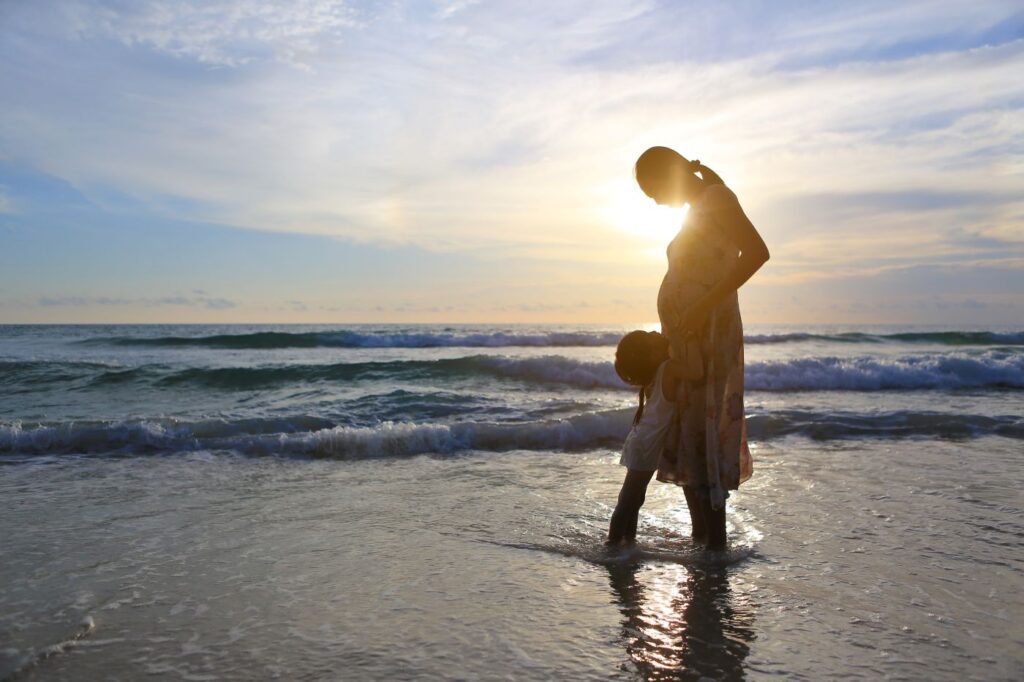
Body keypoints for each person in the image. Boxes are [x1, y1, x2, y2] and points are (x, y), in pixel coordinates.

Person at [635, 145, 770, 550]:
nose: (657, 202)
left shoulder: (715, 200)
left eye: (654, 191)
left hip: (709, 334)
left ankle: (714, 551)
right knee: (690, 435)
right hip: (692, 334)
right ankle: (705, 546)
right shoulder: (707, 200)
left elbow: (758, 253)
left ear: (668, 175)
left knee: (703, 435)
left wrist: (699, 308)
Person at [606, 329, 685, 546]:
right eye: (650, 337)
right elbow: (697, 371)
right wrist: (683, 338)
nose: (655, 332)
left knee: (634, 498)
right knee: (628, 499)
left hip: (642, 440)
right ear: (651, 354)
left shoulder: (655, 372)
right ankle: (612, 545)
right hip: (646, 444)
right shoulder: (668, 369)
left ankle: (627, 541)